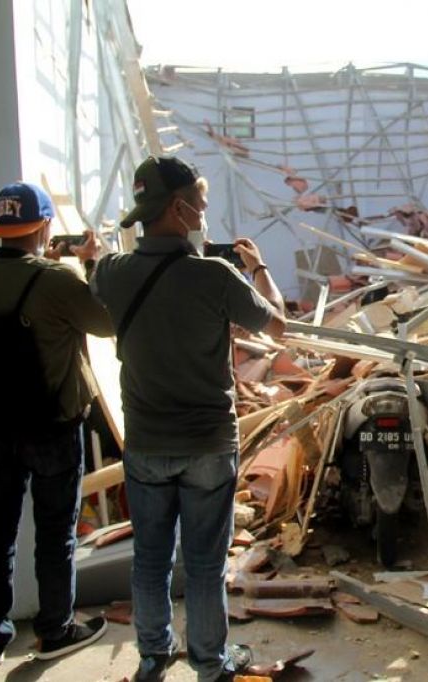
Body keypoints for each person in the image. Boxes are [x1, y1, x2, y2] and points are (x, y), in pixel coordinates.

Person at [90, 156, 286, 682]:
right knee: (203, 564)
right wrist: (258, 269)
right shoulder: (215, 276)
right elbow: (278, 324)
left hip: (146, 444)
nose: (204, 214)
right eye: (200, 204)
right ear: (178, 209)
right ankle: (209, 664)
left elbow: (96, 300)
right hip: (207, 446)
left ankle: (153, 656)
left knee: (150, 559)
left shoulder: (112, 271)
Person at [0, 182, 113, 667]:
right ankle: (54, 631)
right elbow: (105, 324)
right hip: (51, 428)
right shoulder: (56, 279)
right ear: (44, 225)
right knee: (55, 534)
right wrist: (90, 264)